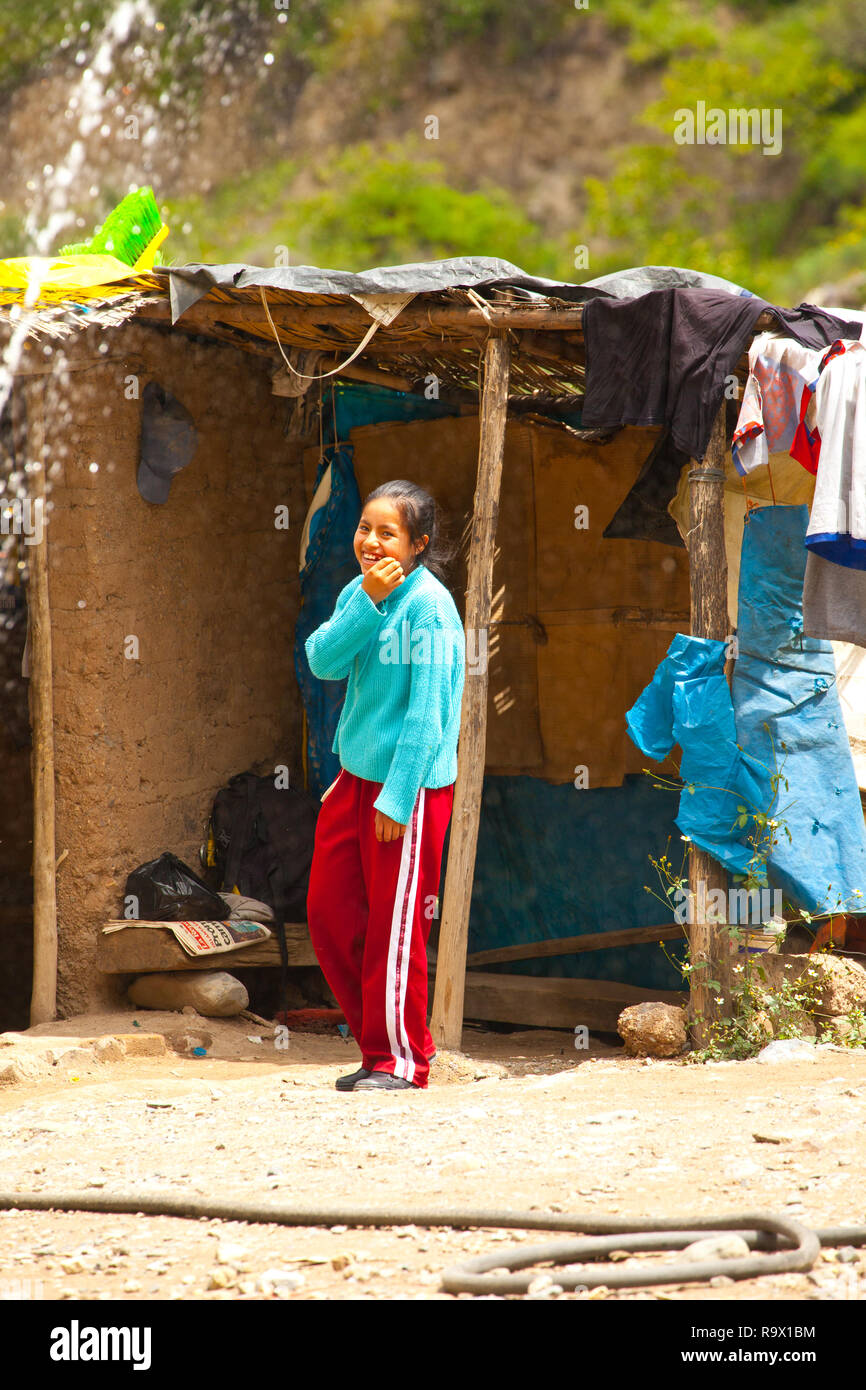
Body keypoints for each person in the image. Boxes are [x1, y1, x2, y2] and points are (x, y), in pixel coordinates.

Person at [304, 480, 465, 1091]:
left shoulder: (430, 607)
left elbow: (429, 715)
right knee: (329, 915)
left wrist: (398, 797)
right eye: (364, 529)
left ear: (419, 544)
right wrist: (365, 602)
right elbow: (322, 661)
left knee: (397, 926)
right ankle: (380, 1046)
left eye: (387, 533)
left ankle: (401, 1061)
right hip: (354, 780)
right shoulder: (360, 591)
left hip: (410, 788)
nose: (370, 542)